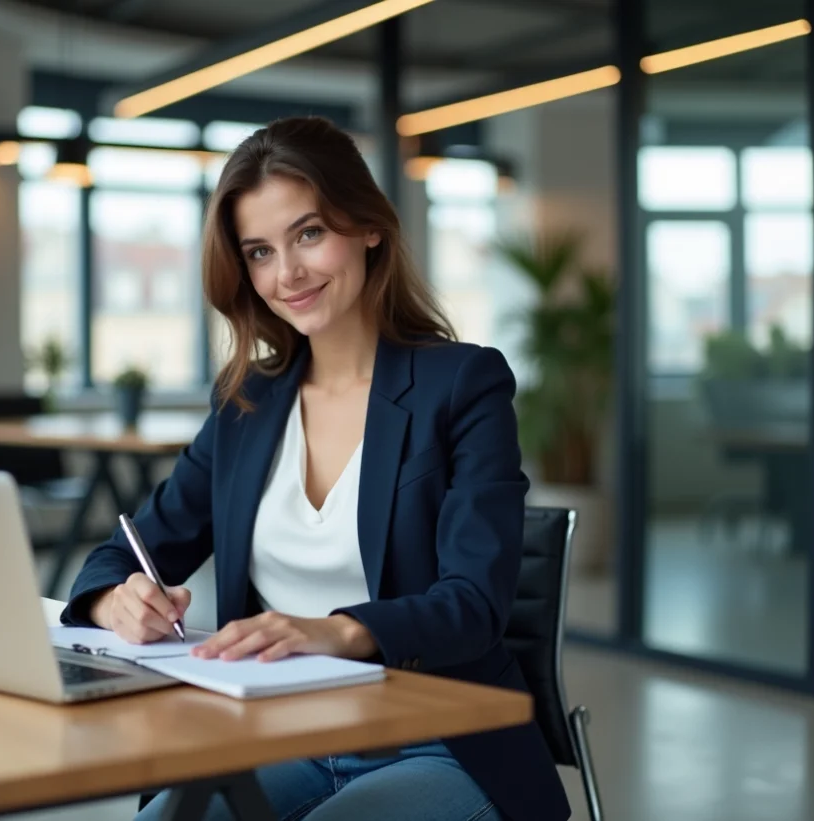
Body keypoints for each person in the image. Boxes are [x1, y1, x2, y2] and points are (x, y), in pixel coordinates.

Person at [60, 115, 570, 821]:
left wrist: (335, 630)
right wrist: (114, 599)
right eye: (260, 251)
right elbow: (126, 550)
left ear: (367, 227)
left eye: (308, 233)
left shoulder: (464, 385)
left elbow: (475, 604)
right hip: (281, 732)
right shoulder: (246, 405)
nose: (287, 273)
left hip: (438, 742)